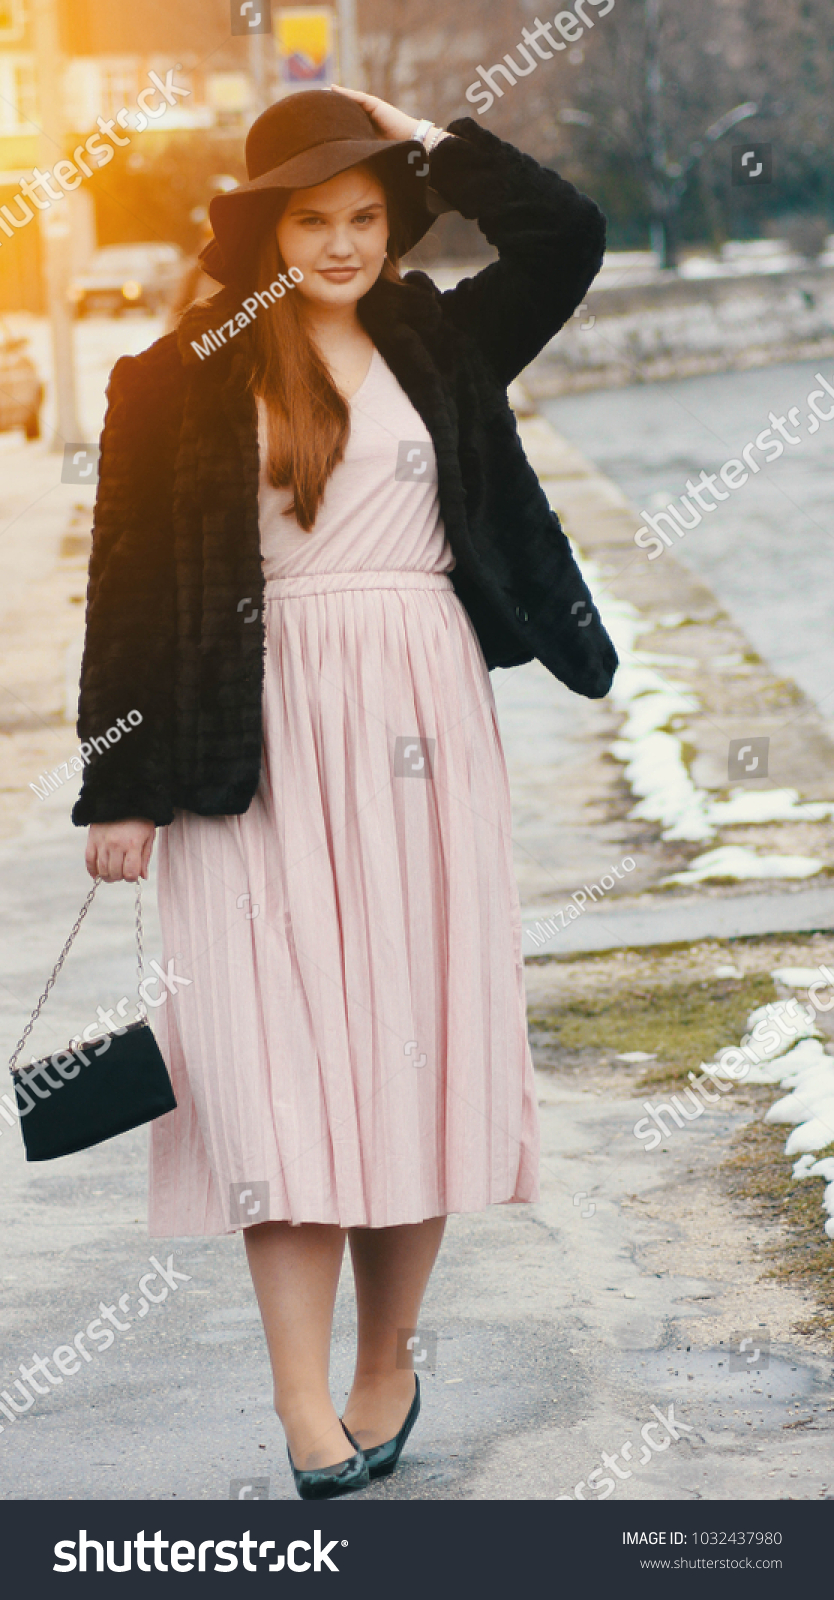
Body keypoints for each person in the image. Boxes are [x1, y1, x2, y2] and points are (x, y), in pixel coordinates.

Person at [72, 84, 617, 1499]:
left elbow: (564, 237)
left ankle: (388, 1362)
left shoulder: (436, 338)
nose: (340, 244)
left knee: (415, 1041)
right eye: (310, 219)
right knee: (274, 1071)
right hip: (247, 745)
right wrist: (117, 789)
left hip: (420, 712)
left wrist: (431, 139)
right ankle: (302, 1403)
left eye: (365, 216)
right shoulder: (177, 374)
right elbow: (124, 588)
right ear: (263, 231)